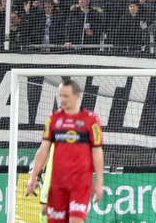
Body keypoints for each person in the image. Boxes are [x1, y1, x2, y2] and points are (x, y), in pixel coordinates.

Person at [26, 79, 104, 223]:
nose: (62, 99)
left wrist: (99, 181)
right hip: (57, 183)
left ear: (77, 96)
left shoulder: (91, 120)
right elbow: (44, 149)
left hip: (80, 182)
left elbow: (97, 152)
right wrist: (33, 176)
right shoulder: (53, 119)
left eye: (66, 96)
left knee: (75, 220)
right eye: (60, 95)